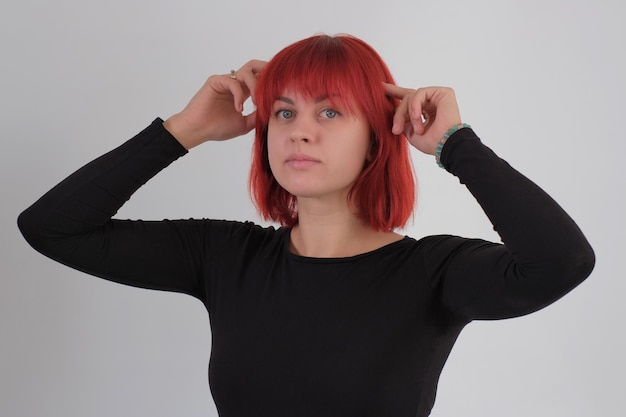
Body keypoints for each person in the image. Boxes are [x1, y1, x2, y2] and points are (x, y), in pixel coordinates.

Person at [18, 34, 595, 416]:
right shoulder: (224, 256)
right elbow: (53, 228)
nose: (299, 130)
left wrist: (454, 145)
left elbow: (562, 261)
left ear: (377, 135)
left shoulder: (433, 273)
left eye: (330, 111)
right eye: (285, 111)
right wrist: (183, 130)